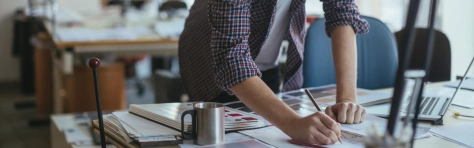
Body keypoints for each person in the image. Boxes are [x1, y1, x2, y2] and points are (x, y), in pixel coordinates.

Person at [179, 0, 369, 145]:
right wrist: (293, 124)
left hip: (265, 63)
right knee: (219, 139)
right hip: (210, 65)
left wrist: (347, 99)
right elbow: (230, 56)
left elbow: (341, 10)